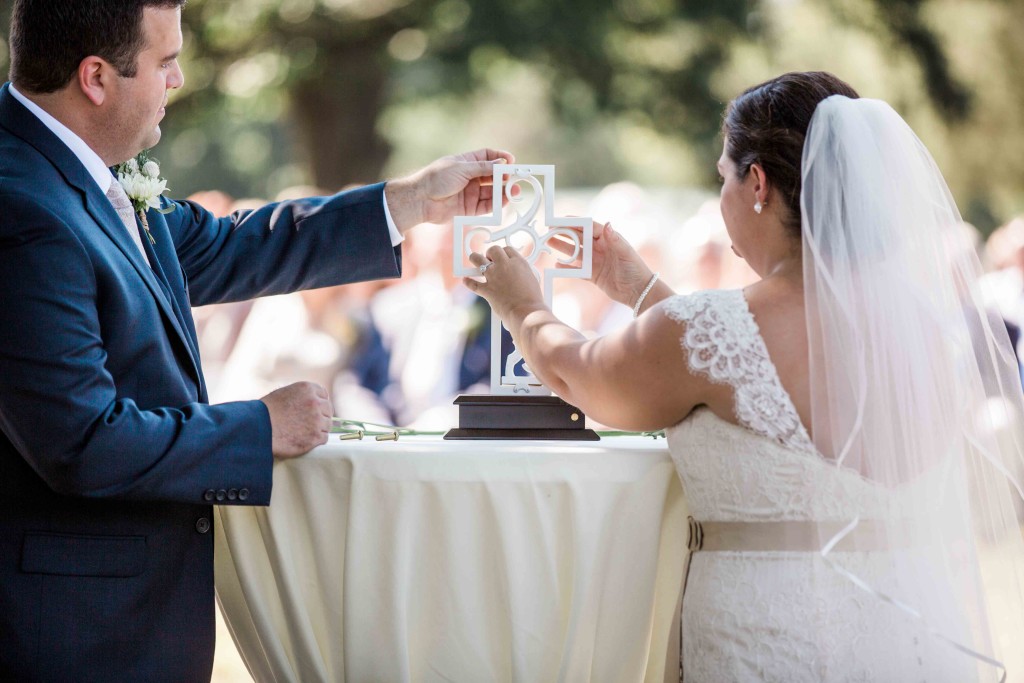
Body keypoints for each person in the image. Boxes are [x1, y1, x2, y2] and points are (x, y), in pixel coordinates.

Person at [0, 1, 512, 680]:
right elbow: (82, 442)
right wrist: (257, 426)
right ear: (95, 77)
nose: (179, 78)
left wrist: (414, 201)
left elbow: (235, 244)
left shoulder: (86, 169)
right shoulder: (22, 206)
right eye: (166, 60)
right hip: (71, 634)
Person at [467, 72, 1024, 681]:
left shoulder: (703, 329)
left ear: (757, 183)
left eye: (723, 178)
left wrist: (521, 304)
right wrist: (642, 289)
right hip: (912, 644)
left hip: (770, 645)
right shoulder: (922, 331)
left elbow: (580, 377)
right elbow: (733, 365)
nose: (722, 198)